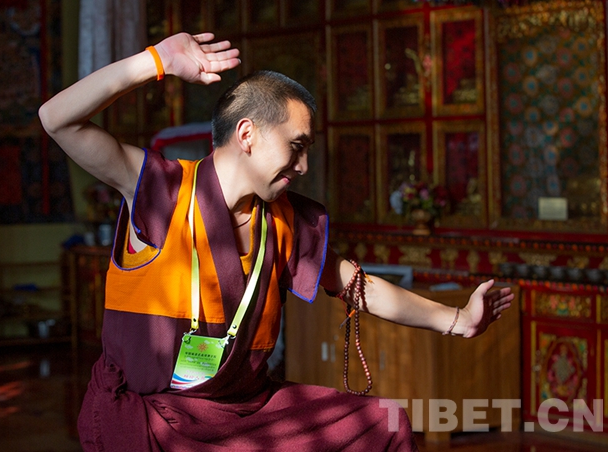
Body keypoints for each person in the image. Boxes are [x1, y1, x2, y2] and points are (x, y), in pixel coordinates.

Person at [39, 32, 514, 452]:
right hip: (154, 417)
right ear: (247, 134)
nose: (303, 167)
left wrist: (457, 320)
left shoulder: (283, 220)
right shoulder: (162, 190)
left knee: (380, 424)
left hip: (244, 410)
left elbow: (357, 286)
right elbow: (56, 118)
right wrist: (156, 60)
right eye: (297, 146)